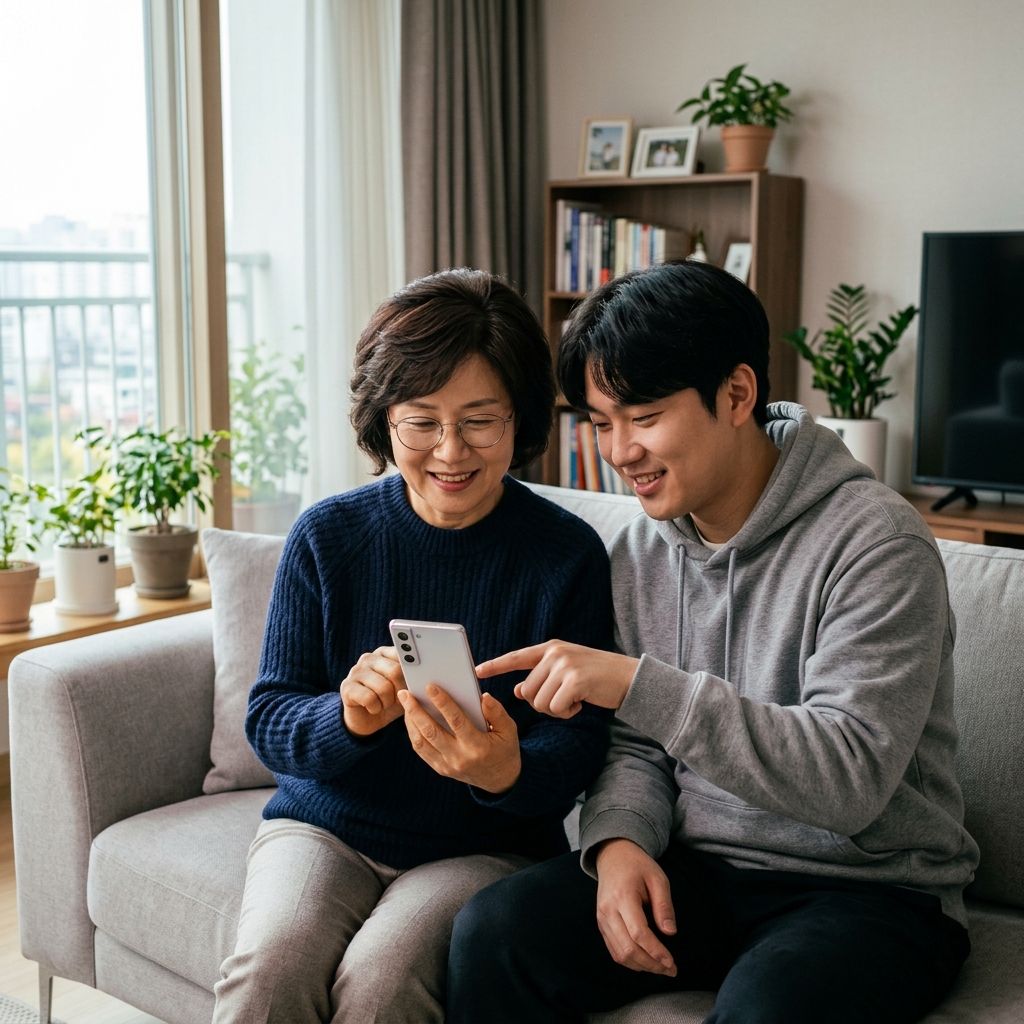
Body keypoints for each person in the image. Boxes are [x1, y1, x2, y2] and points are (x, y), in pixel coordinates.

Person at [448, 261, 979, 1024]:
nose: (619, 451)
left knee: (770, 1008)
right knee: (494, 932)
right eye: (601, 422)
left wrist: (635, 682)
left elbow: (849, 779)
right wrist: (620, 846)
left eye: (644, 415)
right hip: (699, 869)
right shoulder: (641, 548)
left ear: (736, 394)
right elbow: (636, 749)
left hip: (873, 890)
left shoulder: (879, 543)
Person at [212, 270, 613, 1024]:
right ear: (382, 419)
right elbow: (267, 718)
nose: (450, 451)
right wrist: (348, 719)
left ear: (519, 420)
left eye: (480, 421)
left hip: (484, 847)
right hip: (323, 826)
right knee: (270, 970)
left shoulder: (567, 556)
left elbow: (587, 741)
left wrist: (509, 770)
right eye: (420, 422)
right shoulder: (328, 538)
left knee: (382, 986)